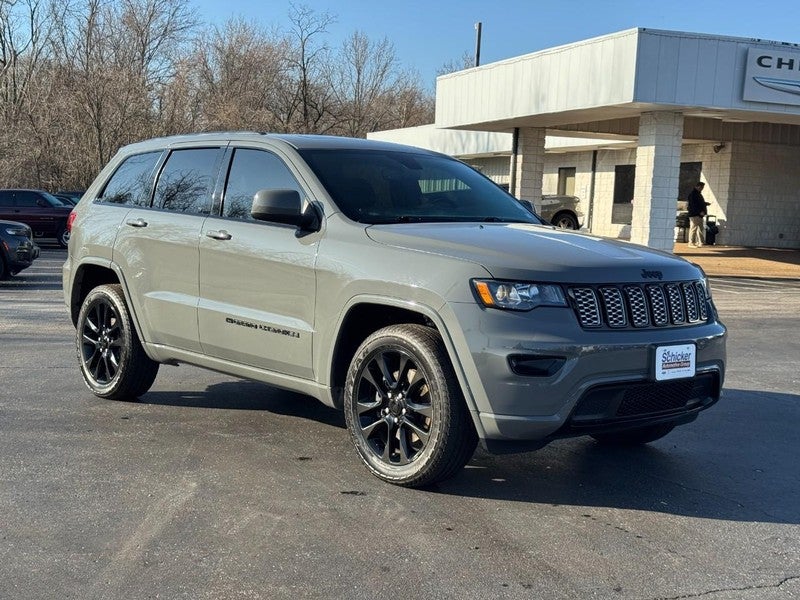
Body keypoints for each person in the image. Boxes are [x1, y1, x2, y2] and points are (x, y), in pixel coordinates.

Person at [687, 182, 708, 247]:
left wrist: (705, 204)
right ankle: (691, 242)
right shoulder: (693, 194)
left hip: (699, 215)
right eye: (701, 187)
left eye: (702, 187)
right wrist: (699, 211)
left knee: (700, 229)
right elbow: (693, 205)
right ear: (697, 186)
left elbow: (699, 203)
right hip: (694, 214)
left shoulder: (698, 194)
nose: (702, 189)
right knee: (693, 228)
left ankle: (701, 242)